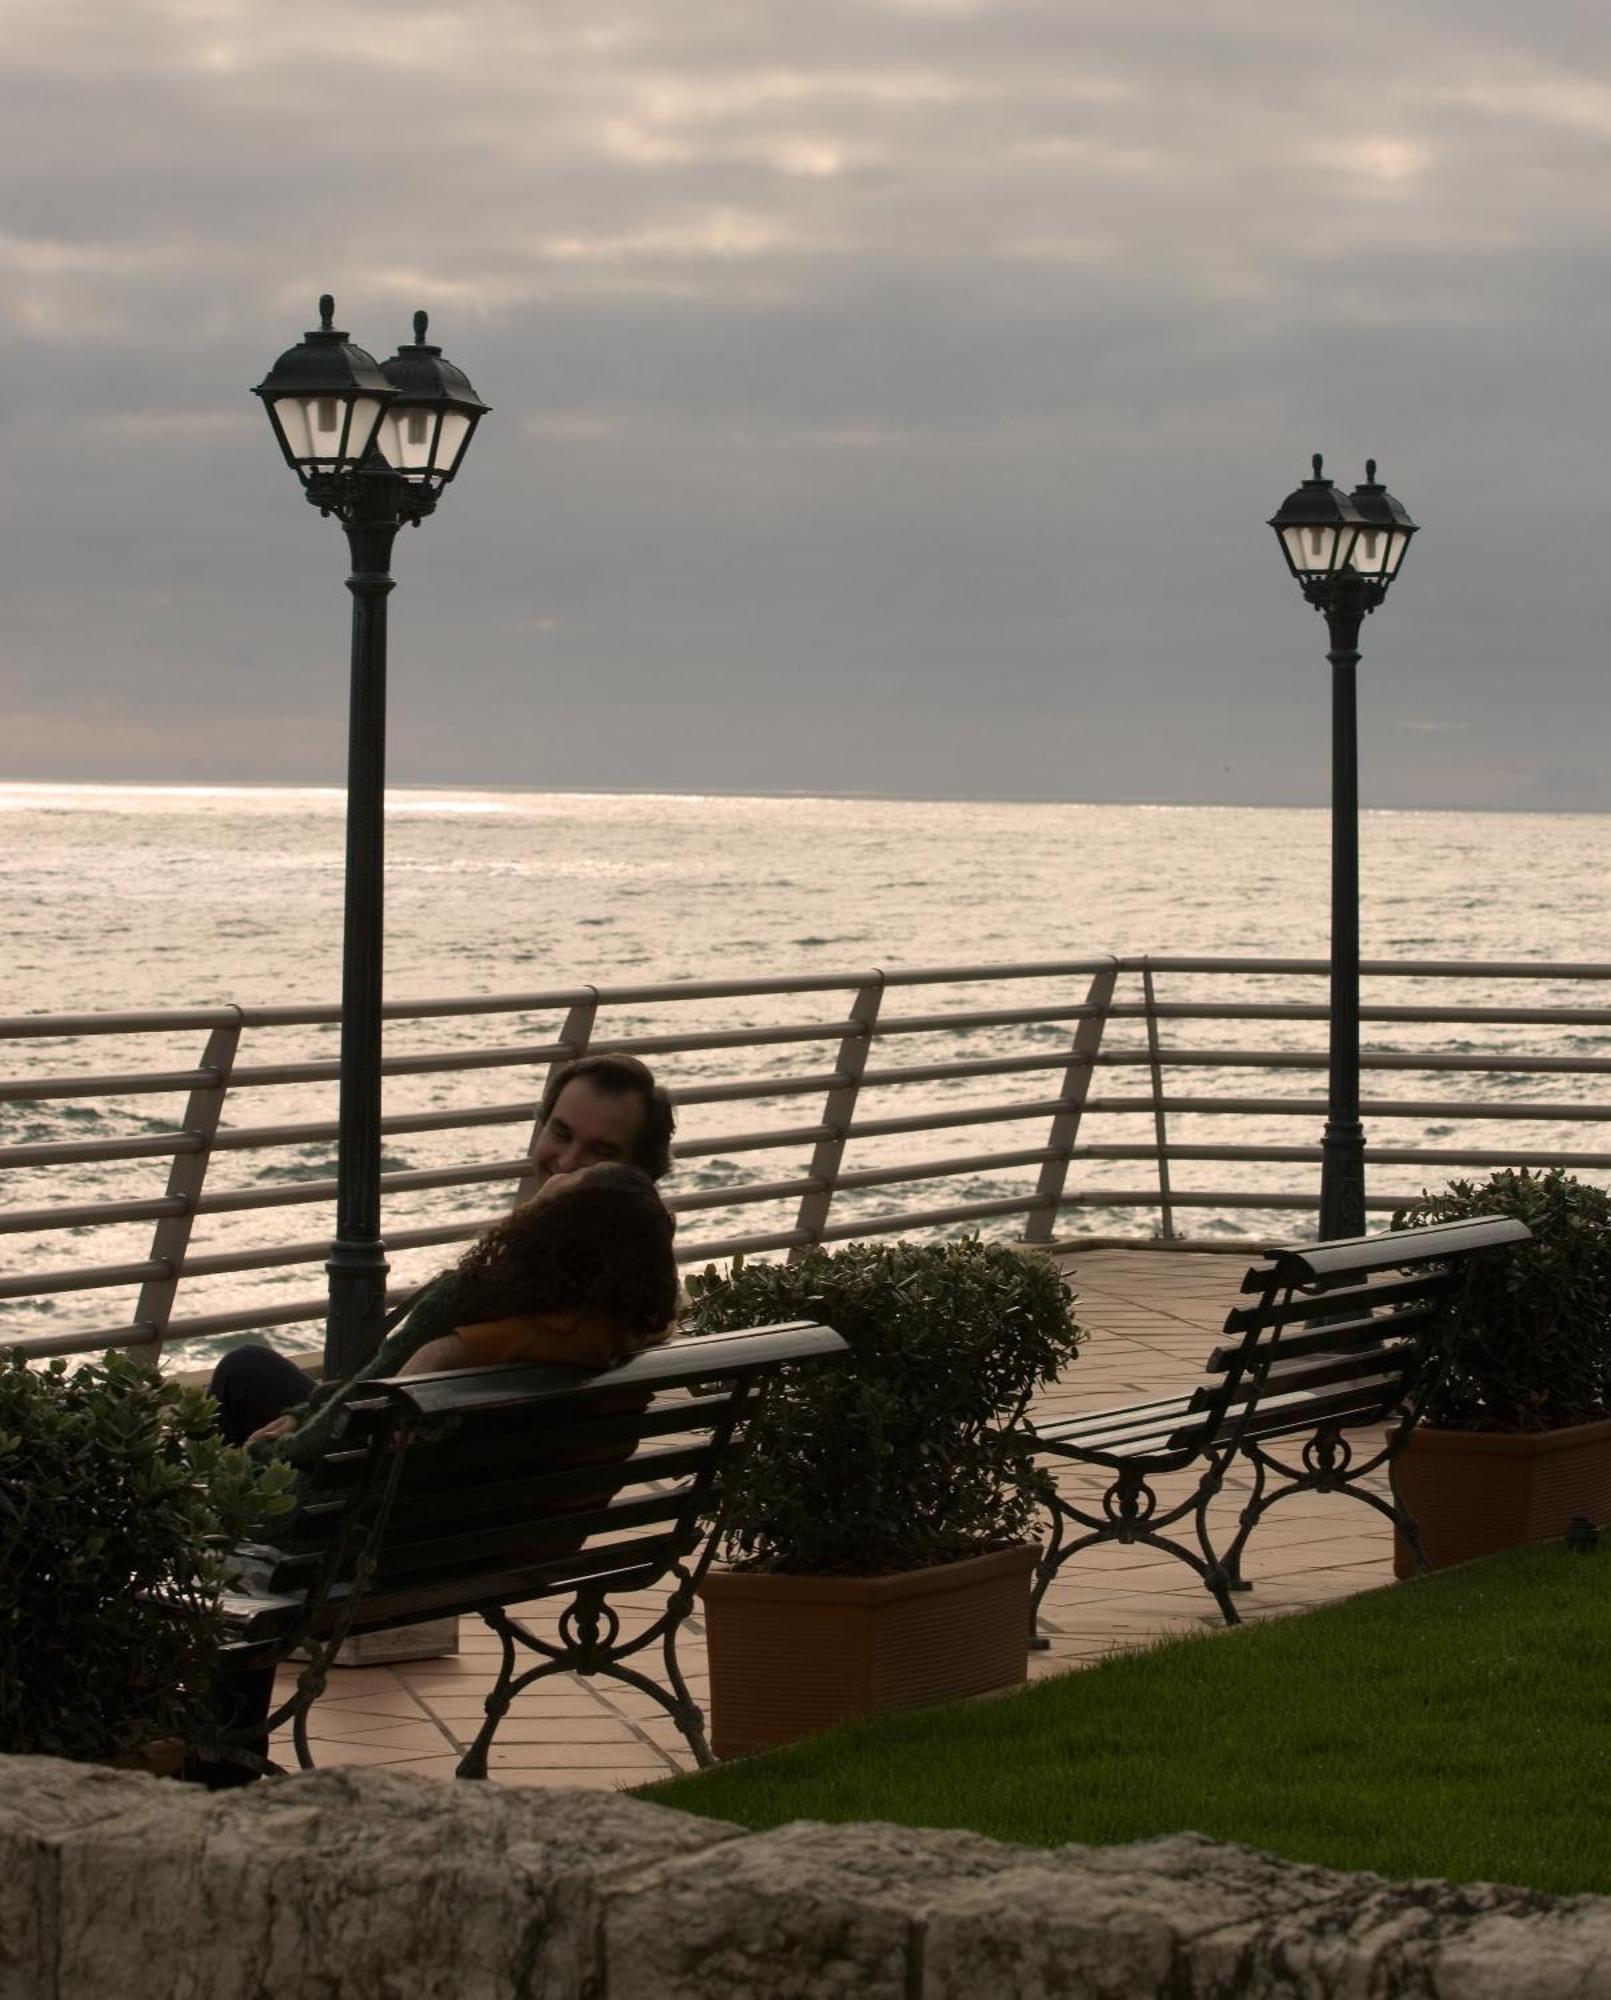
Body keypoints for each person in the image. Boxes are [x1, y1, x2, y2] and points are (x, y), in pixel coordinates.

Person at [210, 1053, 677, 1446]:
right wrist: (308, 1410)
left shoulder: (500, 1316)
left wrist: (289, 1443)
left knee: (243, 1371)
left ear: (636, 1175)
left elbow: (379, 1410)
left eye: (601, 1154)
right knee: (258, 1376)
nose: (567, 1164)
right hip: (494, 1522)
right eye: (560, 1133)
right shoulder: (639, 1306)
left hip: (399, 1529)